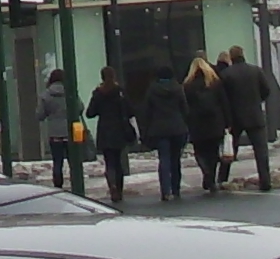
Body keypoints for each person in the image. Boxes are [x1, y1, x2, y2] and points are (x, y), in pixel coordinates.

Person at [215, 46, 276, 194]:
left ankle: (222, 178)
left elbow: (222, 97)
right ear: (243, 55)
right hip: (255, 115)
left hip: (235, 117)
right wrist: (257, 101)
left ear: (231, 57)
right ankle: (265, 180)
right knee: (261, 151)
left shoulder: (226, 74)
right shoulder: (255, 70)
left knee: (230, 149)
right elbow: (266, 90)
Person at [136, 57, 192, 201]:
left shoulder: (152, 90)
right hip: (178, 128)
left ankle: (165, 191)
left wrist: (146, 129)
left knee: (164, 159)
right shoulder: (178, 88)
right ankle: (176, 189)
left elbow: (146, 111)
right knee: (176, 159)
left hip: (159, 129)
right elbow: (185, 109)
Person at [87, 66, 136, 206]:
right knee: (118, 161)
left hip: (104, 130)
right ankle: (119, 190)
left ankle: (112, 186)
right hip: (119, 129)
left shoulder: (98, 93)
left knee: (109, 162)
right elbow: (130, 110)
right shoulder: (120, 92)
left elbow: (90, 113)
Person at [181, 56, 229, 195]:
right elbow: (224, 102)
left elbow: (185, 106)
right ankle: (211, 178)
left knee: (200, 151)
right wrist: (227, 121)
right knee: (213, 152)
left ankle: (205, 171)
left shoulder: (187, 85)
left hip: (197, 124)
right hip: (215, 122)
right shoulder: (215, 82)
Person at [40, 65, 86, 194]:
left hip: (54, 133)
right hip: (71, 132)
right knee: (74, 161)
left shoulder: (46, 95)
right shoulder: (71, 92)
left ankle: (58, 186)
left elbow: (40, 115)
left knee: (57, 161)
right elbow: (80, 108)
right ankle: (76, 185)